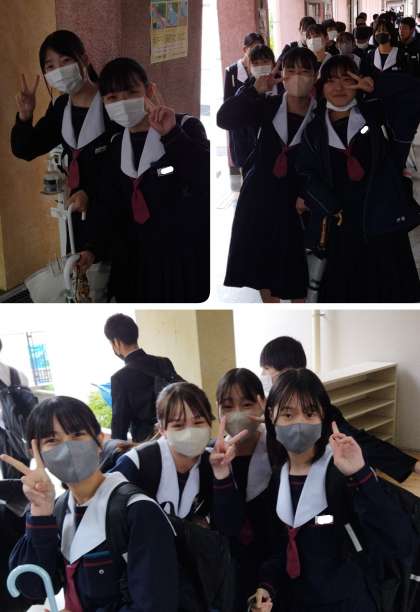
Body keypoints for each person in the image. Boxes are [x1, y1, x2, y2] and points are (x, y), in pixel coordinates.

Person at [250, 368, 415, 612]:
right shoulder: (277, 478)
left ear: (323, 418)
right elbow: (279, 547)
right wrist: (267, 586)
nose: (299, 423)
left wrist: (361, 475)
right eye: (287, 414)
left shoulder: (342, 473)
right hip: (297, 602)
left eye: (310, 414)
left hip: (348, 602)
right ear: (271, 418)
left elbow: (397, 539)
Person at [2, 396, 179, 611]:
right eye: (52, 440)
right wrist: (40, 512)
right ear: (37, 454)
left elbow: (156, 605)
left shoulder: (138, 511)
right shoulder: (58, 509)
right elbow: (33, 586)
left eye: (77, 434)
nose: (67, 447)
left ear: (99, 441)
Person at [78, 58, 210, 303]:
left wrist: (172, 135)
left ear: (149, 91)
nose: (122, 103)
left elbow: (202, 176)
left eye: (131, 93)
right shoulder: (117, 145)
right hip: (134, 263)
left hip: (179, 260)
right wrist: (92, 248)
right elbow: (107, 206)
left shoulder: (185, 127)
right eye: (112, 98)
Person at [297, 55, 420, 303]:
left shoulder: (379, 118)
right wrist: (328, 204)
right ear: (321, 87)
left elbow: (414, 91)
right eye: (331, 80)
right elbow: (304, 174)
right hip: (339, 229)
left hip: (382, 228)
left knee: (389, 295)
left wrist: (376, 84)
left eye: (347, 79)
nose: (339, 87)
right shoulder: (314, 130)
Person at [217, 47, 319, 303]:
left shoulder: (321, 115)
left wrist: (307, 194)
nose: (297, 76)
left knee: (298, 274)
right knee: (264, 270)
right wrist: (254, 89)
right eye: (290, 70)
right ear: (281, 74)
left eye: (305, 71)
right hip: (260, 198)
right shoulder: (268, 106)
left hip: (297, 203)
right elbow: (224, 118)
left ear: (315, 76)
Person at [10, 30, 122, 252]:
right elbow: (25, 149)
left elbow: (121, 166)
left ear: (84, 59)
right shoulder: (61, 108)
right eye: (50, 66)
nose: (59, 71)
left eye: (65, 61)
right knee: (79, 270)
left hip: (113, 212)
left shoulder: (111, 103)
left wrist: (90, 192)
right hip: (78, 215)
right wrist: (25, 116)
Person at [259, 335, 420, 482]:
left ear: (285, 371)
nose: (262, 374)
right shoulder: (265, 404)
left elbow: (359, 441)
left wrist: (412, 464)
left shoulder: (320, 408)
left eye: (266, 368)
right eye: (288, 415)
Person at [112, 381, 246, 528]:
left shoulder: (213, 462)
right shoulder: (136, 463)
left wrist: (221, 474)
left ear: (210, 423)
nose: (190, 433)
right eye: (178, 425)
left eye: (198, 422)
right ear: (162, 429)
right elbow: (111, 521)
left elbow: (229, 526)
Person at [215, 368, 277, 611]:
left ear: (262, 404)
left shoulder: (278, 451)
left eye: (247, 404)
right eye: (228, 406)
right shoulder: (212, 458)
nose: (237, 414)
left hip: (274, 565)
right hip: (230, 570)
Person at [104, 313, 180, 442]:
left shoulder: (119, 378)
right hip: (174, 436)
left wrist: (116, 448)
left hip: (147, 444)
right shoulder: (163, 362)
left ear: (116, 342)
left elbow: (119, 425)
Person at [230, 44, 279, 171]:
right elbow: (237, 133)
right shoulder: (243, 93)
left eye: (265, 62)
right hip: (252, 163)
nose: (261, 66)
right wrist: (244, 164)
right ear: (249, 67)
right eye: (256, 63)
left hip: (280, 159)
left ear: (273, 64)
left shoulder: (284, 89)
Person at [224, 32, 265, 170]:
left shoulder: (263, 68)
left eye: (259, 47)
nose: (256, 51)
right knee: (245, 166)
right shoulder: (232, 72)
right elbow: (227, 103)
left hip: (259, 127)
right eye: (253, 47)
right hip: (240, 131)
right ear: (244, 49)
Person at [0, 340, 33, 479]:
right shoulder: (18, 374)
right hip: (22, 434)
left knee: (13, 479)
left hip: (6, 436)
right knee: (23, 475)